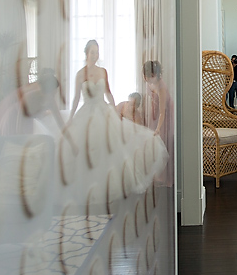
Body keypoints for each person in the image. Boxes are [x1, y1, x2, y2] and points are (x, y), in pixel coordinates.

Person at [63, 41, 167, 190]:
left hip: (102, 110)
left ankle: (106, 183)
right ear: (86, 53)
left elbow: (109, 94)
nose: (95, 55)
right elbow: (75, 99)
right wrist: (71, 118)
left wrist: (114, 112)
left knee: (109, 146)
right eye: (92, 52)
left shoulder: (102, 71)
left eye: (97, 52)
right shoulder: (80, 74)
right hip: (86, 112)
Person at [144, 60, 174, 184]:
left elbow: (163, 111)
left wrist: (158, 128)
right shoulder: (149, 84)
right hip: (155, 113)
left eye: (151, 75)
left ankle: (164, 176)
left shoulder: (161, 87)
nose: (148, 78)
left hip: (165, 115)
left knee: (163, 141)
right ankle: (155, 174)